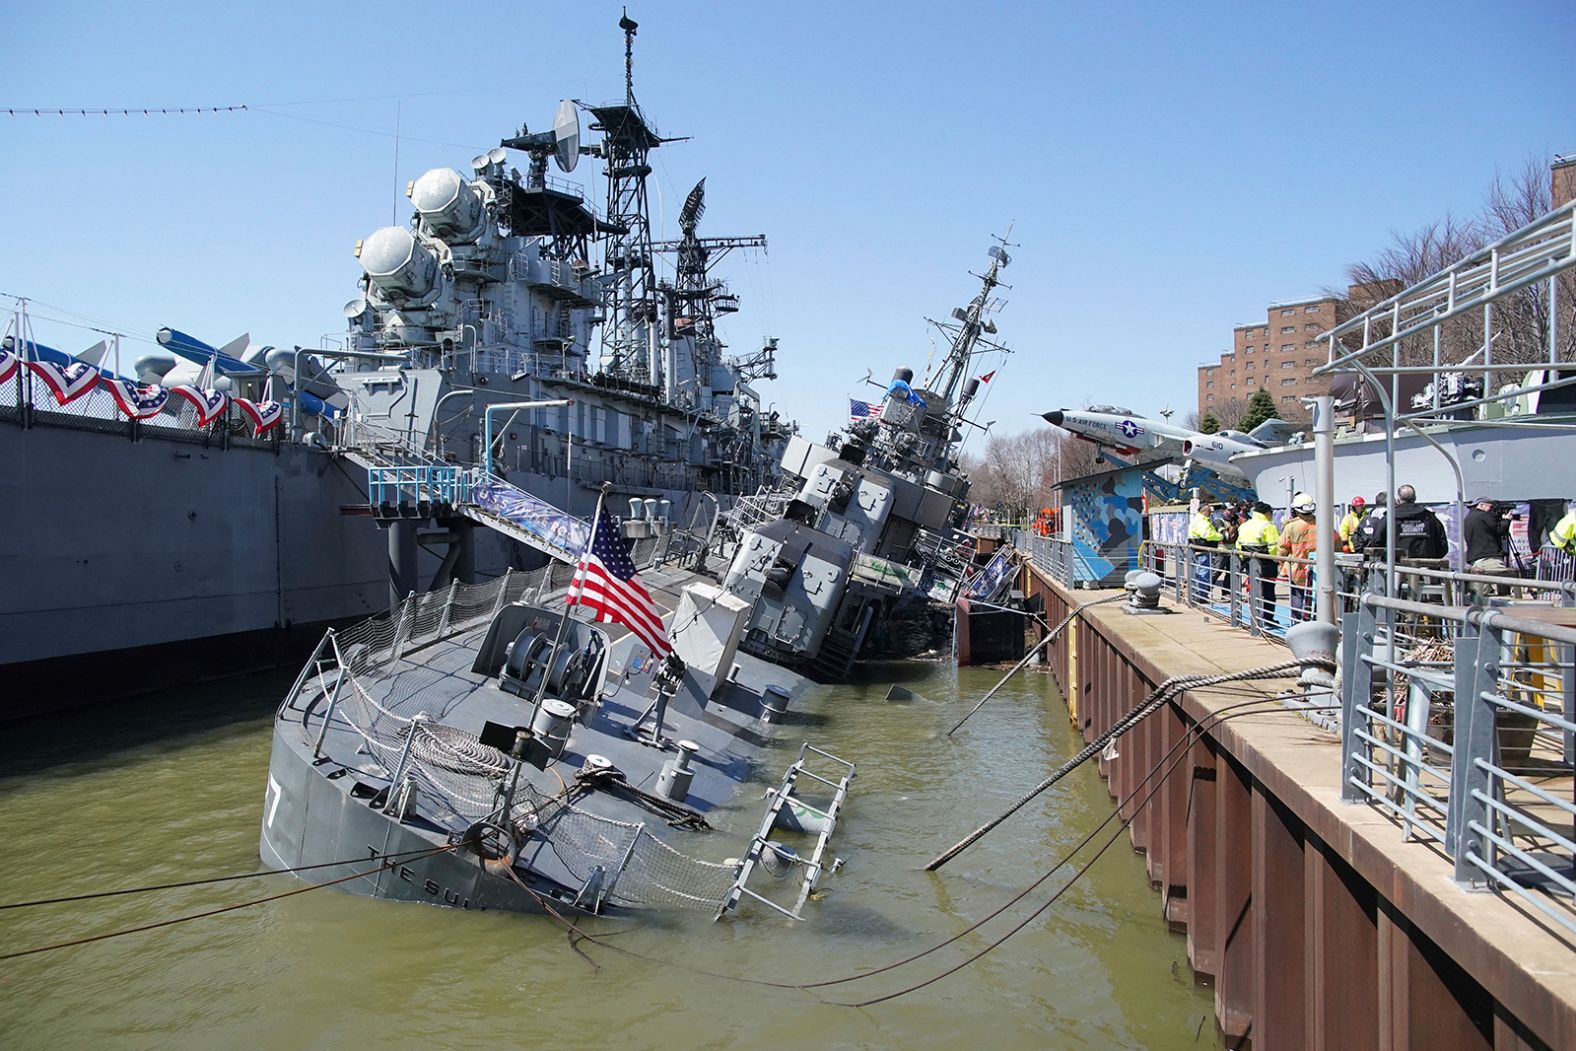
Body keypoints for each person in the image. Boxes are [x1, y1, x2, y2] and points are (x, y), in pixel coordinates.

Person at [1277, 492, 1322, 622]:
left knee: (1298, 598)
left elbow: (1282, 549)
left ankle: (1297, 625)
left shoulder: (1290, 527)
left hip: (1298, 569)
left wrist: (1281, 564)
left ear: (1296, 510)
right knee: (1317, 599)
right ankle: (1316, 623)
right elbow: (1336, 546)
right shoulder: (1322, 523)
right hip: (1319, 569)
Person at [1236, 500, 1281, 626]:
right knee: (1268, 591)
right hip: (1266, 563)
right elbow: (1273, 547)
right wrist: (1276, 560)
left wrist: (1242, 559)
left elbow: (1238, 544)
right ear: (1267, 513)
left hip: (1249, 561)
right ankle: (1268, 619)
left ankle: (1254, 617)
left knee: (1254, 590)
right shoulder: (1268, 526)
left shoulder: (1245, 525)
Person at [1389, 484, 1448, 561]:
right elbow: (1442, 543)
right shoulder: (1429, 517)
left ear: (1398, 499)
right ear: (1415, 498)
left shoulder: (1390, 517)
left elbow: (1378, 539)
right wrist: (1432, 558)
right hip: (1425, 566)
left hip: (1397, 566)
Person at [1187, 503, 1223, 603]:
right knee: (1204, 573)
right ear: (1203, 511)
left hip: (1198, 550)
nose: (1211, 512)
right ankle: (1201, 596)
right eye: (1209, 511)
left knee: (1199, 572)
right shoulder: (1202, 522)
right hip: (1204, 550)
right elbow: (1207, 534)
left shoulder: (1196, 520)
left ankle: (1197, 594)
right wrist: (1220, 536)